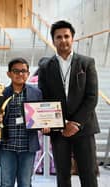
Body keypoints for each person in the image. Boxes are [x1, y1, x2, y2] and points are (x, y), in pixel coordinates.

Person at [38, 20, 99, 187]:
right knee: (62, 175)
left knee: (88, 174)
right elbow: (44, 98)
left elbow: (91, 97)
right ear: (53, 40)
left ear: (73, 38)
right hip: (59, 129)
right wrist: (61, 122)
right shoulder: (45, 66)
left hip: (84, 127)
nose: (63, 40)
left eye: (66, 36)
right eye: (59, 37)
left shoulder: (87, 63)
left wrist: (76, 123)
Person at [0, 58, 42, 187]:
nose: (20, 74)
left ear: (28, 74)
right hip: (6, 146)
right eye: (16, 71)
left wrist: (45, 126)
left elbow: (41, 116)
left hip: (27, 147)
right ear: (9, 74)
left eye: (23, 71)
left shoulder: (36, 93)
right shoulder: (0, 94)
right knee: (6, 183)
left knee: (25, 183)